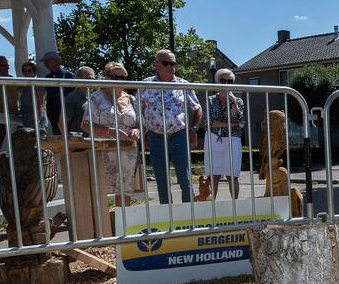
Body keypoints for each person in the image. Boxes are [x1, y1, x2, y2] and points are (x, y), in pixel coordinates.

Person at [139, 50, 202, 204]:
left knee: (185, 177)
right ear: (156, 65)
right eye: (166, 63)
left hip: (179, 135)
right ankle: (167, 216)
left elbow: (197, 108)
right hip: (155, 137)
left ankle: (189, 215)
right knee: (161, 179)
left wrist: (193, 129)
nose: (170, 66)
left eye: (172, 63)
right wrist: (144, 133)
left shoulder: (184, 85)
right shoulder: (144, 85)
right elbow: (138, 111)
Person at [81, 62, 141, 208]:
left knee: (125, 190)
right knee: (101, 190)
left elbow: (139, 125)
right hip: (104, 151)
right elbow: (85, 125)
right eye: (114, 76)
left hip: (128, 152)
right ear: (106, 77)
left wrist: (136, 131)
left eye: (122, 77)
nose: (118, 80)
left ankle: (122, 224)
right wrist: (111, 132)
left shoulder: (132, 99)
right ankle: (105, 227)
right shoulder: (96, 98)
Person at [205, 68, 246, 199]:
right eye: (223, 80)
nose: (226, 84)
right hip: (213, 138)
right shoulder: (210, 100)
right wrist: (233, 124)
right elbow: (211, 123)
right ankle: (212, 208)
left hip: (232, 139)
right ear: (217, 81)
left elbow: (239, 118)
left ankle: (235, 207)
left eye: (230, 81)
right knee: (214, 175)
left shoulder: (238, 101)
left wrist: (233, 101)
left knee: (232, 175)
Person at [41, 50, 76, 137]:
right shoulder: (47, 78)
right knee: (59, 138)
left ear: (55, 61)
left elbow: (73, 96)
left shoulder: (68, 75)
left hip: (67, 115)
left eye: (47, 61)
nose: (45, 64)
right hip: (54, 116)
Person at [63, 66, 96, 134]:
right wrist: (68, 142)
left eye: (93, 79)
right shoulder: (72, 97)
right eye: (88, 78)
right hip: (77, 141)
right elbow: (62, 123)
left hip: (91, 139)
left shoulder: (93, 97)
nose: (91, 81)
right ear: (78, 78)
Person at [17, 60, 45, 129]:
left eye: (29, 70)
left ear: (34, 72)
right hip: (26, 119)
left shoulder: (38, 85)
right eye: (24, 71)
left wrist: (38, 120)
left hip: (36, 119)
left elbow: (40, 104)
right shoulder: (23, 88)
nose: (26, 73)